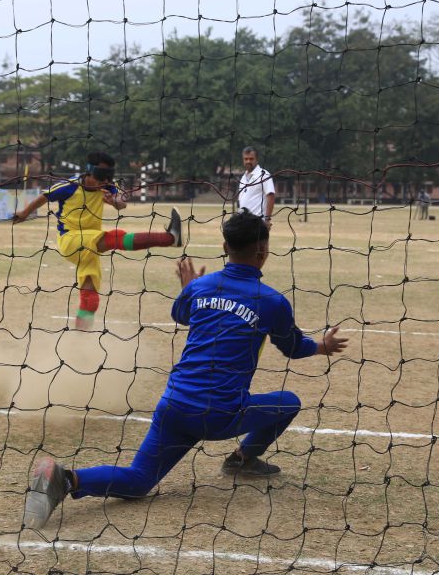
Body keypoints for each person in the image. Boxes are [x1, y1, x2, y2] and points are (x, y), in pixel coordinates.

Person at [23, 209, 349, 529]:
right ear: (263, 251)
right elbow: (293, 348)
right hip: (220, 414)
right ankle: (241, 460)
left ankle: (65, 479)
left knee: (139, 481)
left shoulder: (201, 287)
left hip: (174, 406)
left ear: (225, 249)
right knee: (288, 401)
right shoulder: (272, 301)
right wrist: (322, 346)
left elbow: (182, 315)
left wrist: (191, 287)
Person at [13, 151, 182, 331]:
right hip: (70, 240)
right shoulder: (69, 186)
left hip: (90, 244)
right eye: (102, 175)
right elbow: (43, 197)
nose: (106, 180)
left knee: (90, 300)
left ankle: (80, 343)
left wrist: (114, 201)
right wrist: (24, 213)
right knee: (114, 238)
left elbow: (121, 203)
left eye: (109, 175)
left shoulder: (107, 187)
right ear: (89, 171)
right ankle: (169, 238)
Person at [237, 147, 275, 228]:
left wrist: (267, 220)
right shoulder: (243, 177)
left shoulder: (264, 174)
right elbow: (241, 200)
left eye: (251, 159)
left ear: (257, 160)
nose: (248, 161)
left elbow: (271, 196)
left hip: (257, 222)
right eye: (246, 159)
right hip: (243, 222)